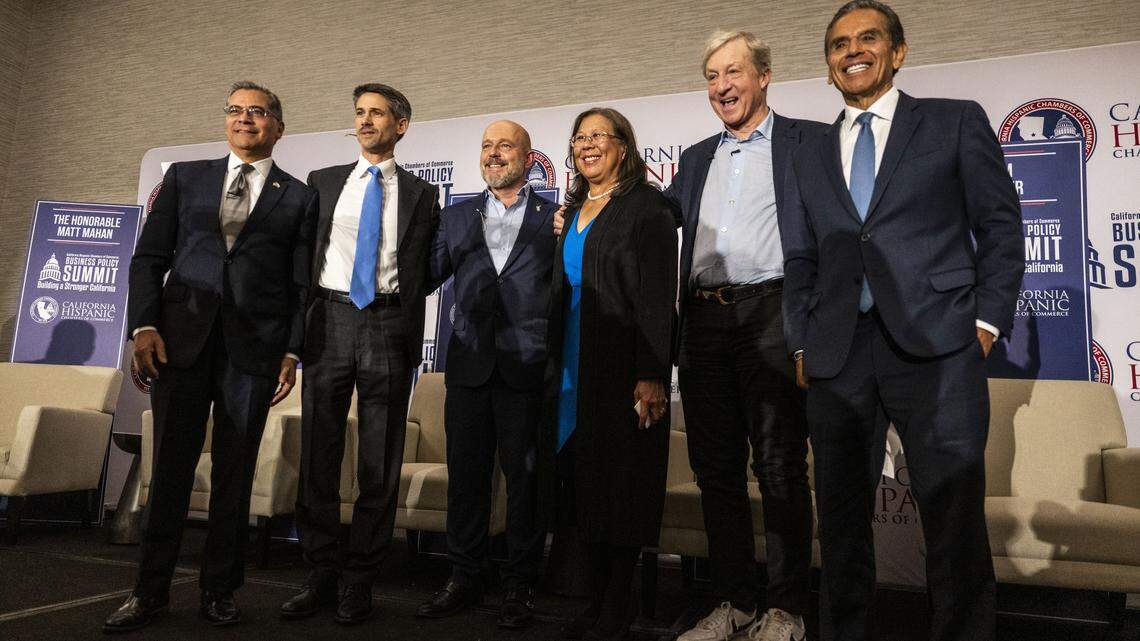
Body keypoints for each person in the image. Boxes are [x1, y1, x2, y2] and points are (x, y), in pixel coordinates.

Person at [779, 2, 1023, 640]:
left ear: (899, 51)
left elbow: (999, 226)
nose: (852, 50)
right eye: (838, 43)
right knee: (839, 521)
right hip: (837, 353)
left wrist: (988, 322)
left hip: (940, 345)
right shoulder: (806, 150)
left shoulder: (953, 122)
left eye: (867, 38)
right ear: (828, 62)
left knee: (952, 519)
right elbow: (800, 255)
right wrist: (801, 341)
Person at [106, 81, 314, 633]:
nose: (245, 119)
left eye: (259, 111)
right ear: (226, 120)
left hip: (253, 351)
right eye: (236, 110)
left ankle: (220, 590)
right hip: (180, 344)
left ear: (277, 127)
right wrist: (144, 326)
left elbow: (300, 285)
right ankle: (147, 593)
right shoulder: (185, 178)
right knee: (169, 472)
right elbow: (148, 258)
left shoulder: (298, 196)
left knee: (234, 475)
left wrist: (292, 351)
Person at [665, 32, 824, 641]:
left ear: (764, 76)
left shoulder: (806, 141)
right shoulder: (696, 156)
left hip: (772, 312)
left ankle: (786, 609)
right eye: (711, 76)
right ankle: (733, 601)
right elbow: (656, 223)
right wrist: (586, 209)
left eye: (732, 73)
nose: (722, 87)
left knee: (781, 467)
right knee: (715, 469)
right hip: (702, 318)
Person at [280, 83, 440, 625]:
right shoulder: (323, 183)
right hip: (328, 319)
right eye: (360, 113)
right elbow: (301, 258)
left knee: (380, 458)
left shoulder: (423, 194)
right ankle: (320, 571)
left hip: (389, 322)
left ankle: (361, 579)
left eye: (377, 114)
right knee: (319, 453)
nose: (366, 121)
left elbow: (429, 265)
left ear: (401, 125)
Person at [415, 120, 558, 628]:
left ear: (527, 155)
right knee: (467, 480)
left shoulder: (555, 217)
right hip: (470, 367)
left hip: (528, 367)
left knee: (524, 482)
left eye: (505, 145)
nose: (494, 154)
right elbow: (422, 274)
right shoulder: (454, 217)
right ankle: (463, 575)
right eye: (486, 146)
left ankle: (519, 583)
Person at [542, 107, 677, 641]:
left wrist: (651, 374)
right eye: (579, 137)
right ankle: (595, 601)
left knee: (620, 489)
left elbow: (655, 296)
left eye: (599, 135)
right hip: (572, 369)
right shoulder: (572, 209)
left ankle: (618, 608)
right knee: (582, 490)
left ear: (625, 146)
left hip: (622, 370)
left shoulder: (648, 207)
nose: (587, 145)